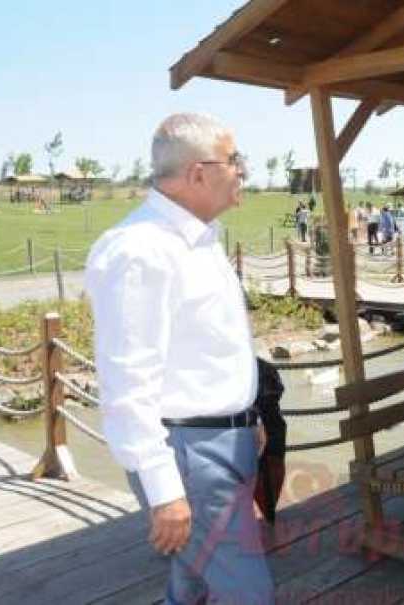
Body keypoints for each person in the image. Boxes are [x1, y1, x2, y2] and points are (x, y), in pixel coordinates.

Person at [85, 113, 274, 604]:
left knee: (191, 585)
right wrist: (165, 491)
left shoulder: (196, 241)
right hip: (190, 454)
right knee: (246, 593)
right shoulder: (140, 251)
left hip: (223, 441)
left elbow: (207, 350)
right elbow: (128, 382)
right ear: (198, 173)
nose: (244, 172)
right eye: (236, 161)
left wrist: (245, 418)